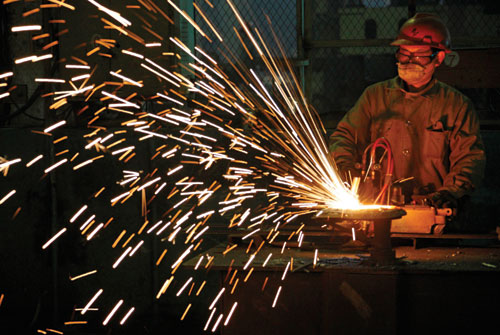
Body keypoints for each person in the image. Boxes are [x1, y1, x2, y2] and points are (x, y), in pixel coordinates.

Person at [329, 13, 485, 211]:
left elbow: (469, 158)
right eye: (404, 53)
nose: (408, 61)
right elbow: (345, 136)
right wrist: (346, 168)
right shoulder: (374, 96)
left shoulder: (456, 105)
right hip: (377, 207)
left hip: (431, 211)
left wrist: (450, 193)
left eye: (418, 55)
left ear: (439, 58)